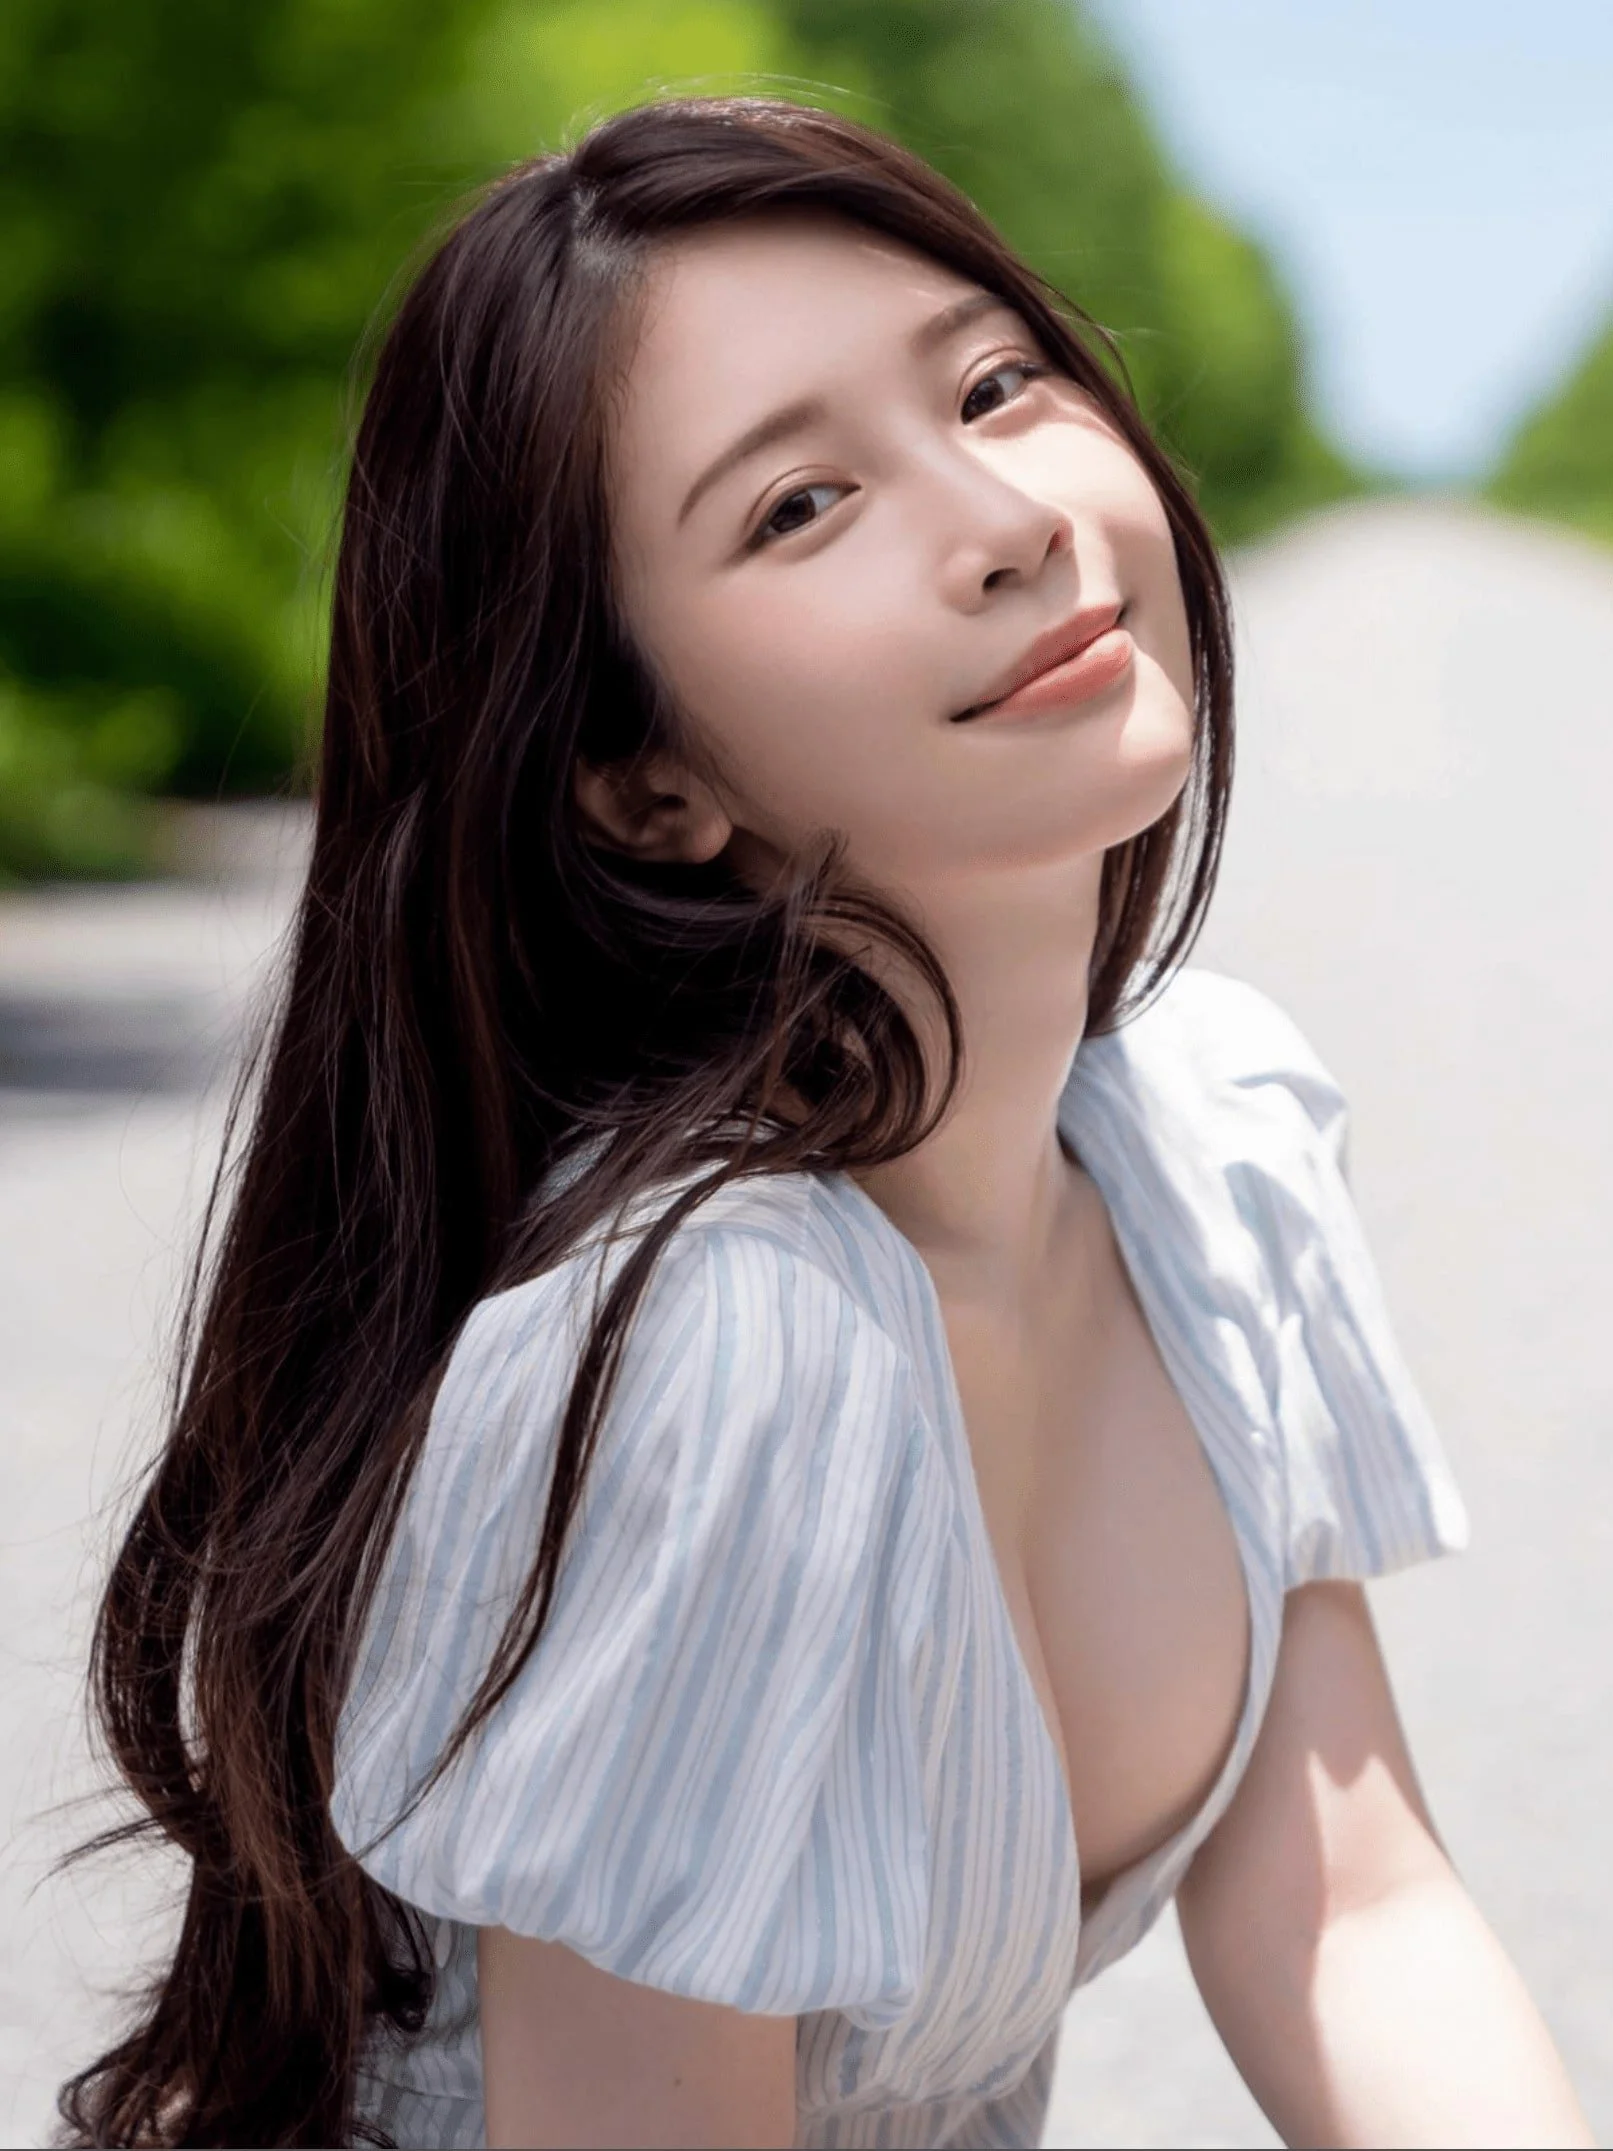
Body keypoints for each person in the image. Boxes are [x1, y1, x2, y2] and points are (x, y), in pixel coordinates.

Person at [57, 97, 1592, 2151]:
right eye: (797, 505)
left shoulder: (1207, 1159)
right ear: (635, 783)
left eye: (992, 382)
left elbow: (1342, 1912)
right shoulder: (717, 1347)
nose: (1000, 517)